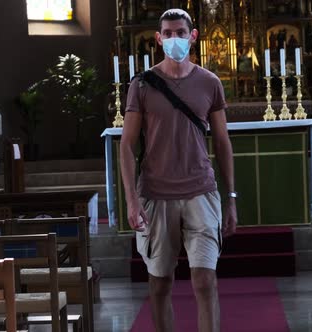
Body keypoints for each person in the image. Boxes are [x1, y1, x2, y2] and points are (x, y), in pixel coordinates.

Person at [120, 8, 238, 332]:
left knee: (205, 280)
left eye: (180, 33)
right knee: (160, 284)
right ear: (158, 39)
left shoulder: (209, 82)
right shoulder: (142, 85)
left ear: (193, 36)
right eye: (168, 34)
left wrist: (230, 199)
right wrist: (132, 201)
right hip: (156, 194)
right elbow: (127, 145)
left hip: (201, 190)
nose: (174, 39)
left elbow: (223, 143)